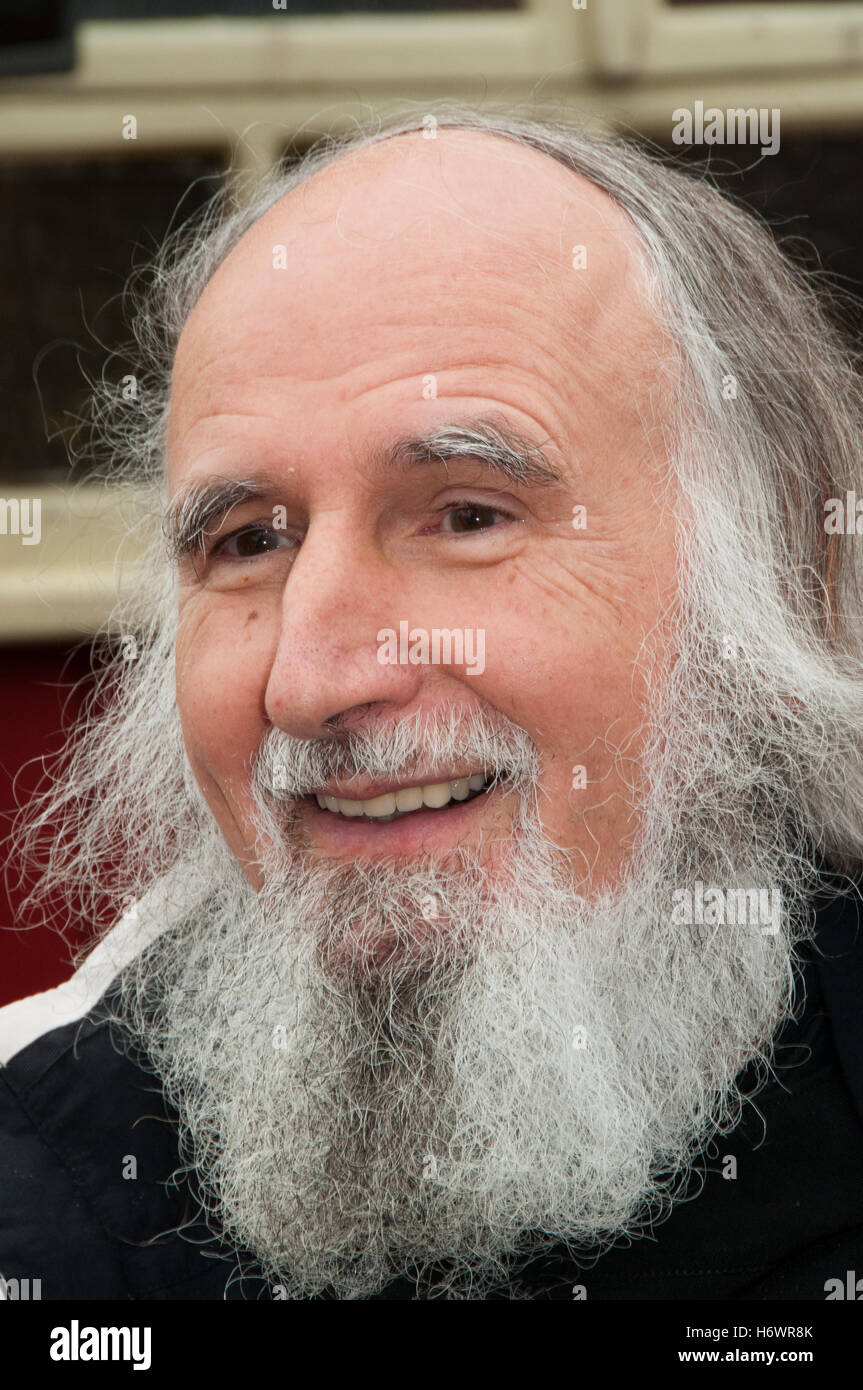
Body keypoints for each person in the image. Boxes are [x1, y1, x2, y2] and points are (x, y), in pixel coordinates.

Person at [2, 104, 863, 1301]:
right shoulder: (46, 1205)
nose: (310, 679)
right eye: (246, 542)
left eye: (466, 515)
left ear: (762, 565)